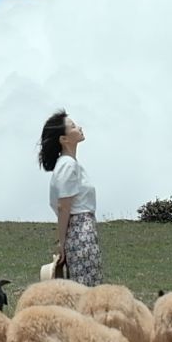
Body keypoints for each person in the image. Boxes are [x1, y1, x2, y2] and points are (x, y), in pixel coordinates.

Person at [40, 109, 101, 286]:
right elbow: (63, 206)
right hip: (80, 230)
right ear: (64, 139)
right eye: (73, 126)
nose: (79, 127)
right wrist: (62, 241)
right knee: (87, 288)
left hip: (81, 230)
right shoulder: (68, 165)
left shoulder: (69, 164)